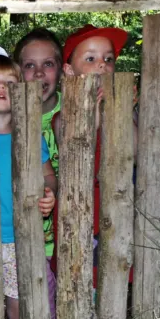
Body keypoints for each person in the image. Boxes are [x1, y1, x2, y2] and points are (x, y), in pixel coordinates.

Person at [0, 55, 57, 319]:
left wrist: (49, 193)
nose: (0, 88)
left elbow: (49, 176)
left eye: (9, 83)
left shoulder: (30, 137)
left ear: (21, 91)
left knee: (19, 306)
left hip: (18, 239)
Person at [53, 24, 130, 294]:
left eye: (108, 59)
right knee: (81, 285)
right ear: (69, 71)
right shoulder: (61, 117)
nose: (102, 65)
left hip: (116, 213)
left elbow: (136, 147)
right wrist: (94, 111)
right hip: (82, 215)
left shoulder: (119, 109)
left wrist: (123, 109)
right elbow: (76, 142)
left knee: (115, 285)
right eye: (90, 59)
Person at [14, 28, 64, 265]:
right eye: (29, 65)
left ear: (61, 70)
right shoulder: (7, 118)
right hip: (22, 240)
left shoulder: (74, 108)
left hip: (67, 235)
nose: (39, 73)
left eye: (48, 64)